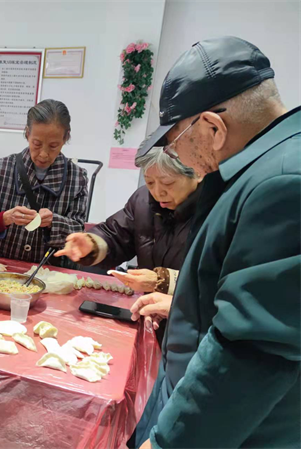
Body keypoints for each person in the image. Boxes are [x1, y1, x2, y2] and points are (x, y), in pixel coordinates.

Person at [134, 37, 301, 449]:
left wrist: (167, 442)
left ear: (213, 127)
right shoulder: (264, 166)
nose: (178, 154)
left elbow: (252, 352)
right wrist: (187, 306)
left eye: (175, 140)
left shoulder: (283, 184)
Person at [56, 147, 201, 334]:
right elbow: (116, 234)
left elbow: (214, 280)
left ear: (197, 174)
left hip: (191, 327)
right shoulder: (143, 200)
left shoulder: (215, 211)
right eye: (150, 182)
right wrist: (93, 244)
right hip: (150, 315)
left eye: (168, 183)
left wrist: (162, 281)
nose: (158, 193)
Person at [0, 99, 88, 264]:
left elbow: (78, 232)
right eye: (37, 144)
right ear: (27, 133)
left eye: (53, 146)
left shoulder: (77, 178)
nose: (44, 154)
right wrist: (4, 218)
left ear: (65, 137)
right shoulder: (1, 168)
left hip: (45, 272)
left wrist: (54, 222)